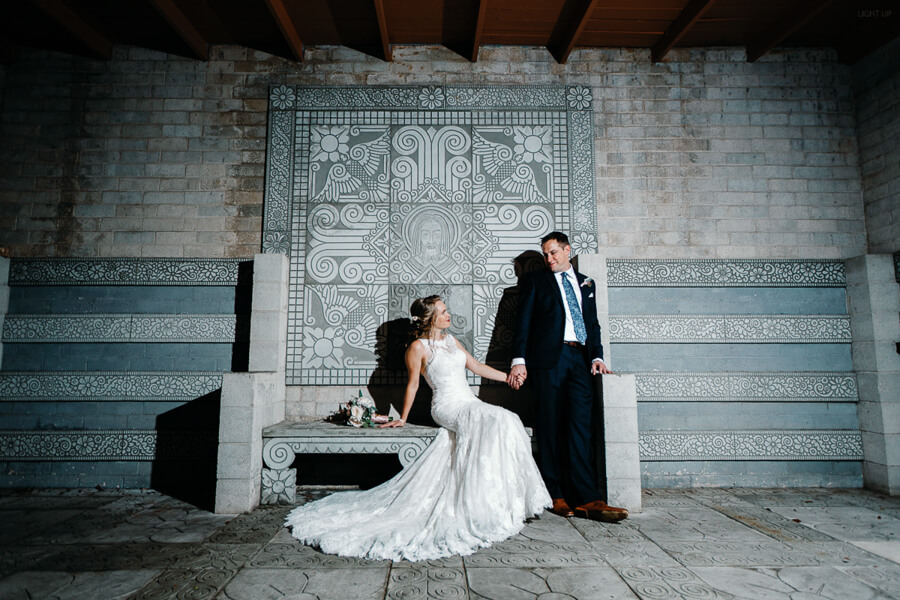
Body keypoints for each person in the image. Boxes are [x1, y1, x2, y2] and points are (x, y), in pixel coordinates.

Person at [285, 295, 551, 562]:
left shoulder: (452, 340)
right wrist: (402, 417)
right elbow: (413, 384)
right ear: (430, 317)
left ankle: (507, 500)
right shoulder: (417, 348)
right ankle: (482, 508)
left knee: (507, 419)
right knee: (494, 420)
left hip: (468, 401)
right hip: (447, 406)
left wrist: (508, 377)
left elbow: (476, 366)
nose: (449, 315)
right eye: (444, 311)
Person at [508, 231, 628, 523]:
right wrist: (518, 360)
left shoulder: (587, 282)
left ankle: (587, 498)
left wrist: (597, 356)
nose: (549, 259)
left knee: (580, 426)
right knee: (549, 426)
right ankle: (554, 493)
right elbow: (522, 322)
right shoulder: (536, 281)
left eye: (553, 253)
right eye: (545, 254)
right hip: (549, 360)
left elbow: (593, 323)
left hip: (580, 359)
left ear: (567, 250)